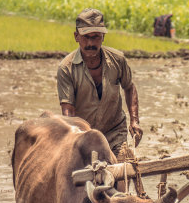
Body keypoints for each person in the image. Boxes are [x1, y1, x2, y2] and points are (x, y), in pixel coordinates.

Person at [57, 8, 143, 157]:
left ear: (103, 36)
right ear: (76, 36)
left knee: (122, 170)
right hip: (85, 135)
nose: (90, 43)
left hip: (115, 130)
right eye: (86, 37)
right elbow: (68, 110)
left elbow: (129, 87)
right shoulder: (66, 68)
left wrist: (134, 120)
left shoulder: (118, 60)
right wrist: (72, 137)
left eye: (95, 37)